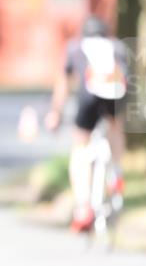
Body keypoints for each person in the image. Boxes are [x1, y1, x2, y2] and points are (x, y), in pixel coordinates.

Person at [45, 15, 128, 232]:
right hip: (115, 94)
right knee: (116, 130)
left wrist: (55, 112)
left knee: (80, 146)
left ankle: (83, 206)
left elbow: (63, 82)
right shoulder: (117, 47)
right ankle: (117, 171)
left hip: (88, 97)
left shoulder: (75, 47)